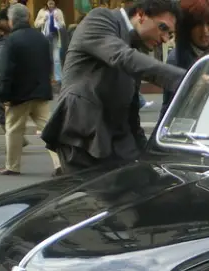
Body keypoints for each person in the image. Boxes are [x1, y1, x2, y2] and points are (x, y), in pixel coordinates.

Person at [41, 0, 186, 174]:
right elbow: (122, 57)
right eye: (163, 28)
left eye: (170, 35)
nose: (164, 39)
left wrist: (145, 155)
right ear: (141, 15)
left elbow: (131, 108)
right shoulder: (101, 18)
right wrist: (188, 80)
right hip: (83, 136)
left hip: (119, 140)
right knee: (88, 198)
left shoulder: (136, 45)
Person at [0, 2, 61, 175]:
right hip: (40, 91)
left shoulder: (11, 41)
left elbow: (5, 72)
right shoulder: (40, 38)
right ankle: (60, 161)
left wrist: (4, 95)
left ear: (11, 21)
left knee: (13, 130)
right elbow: (48, 64)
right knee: (49, 129)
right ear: (28, 17)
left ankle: (12, 165)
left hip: (19, 95)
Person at [159, 0, 209, 121]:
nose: (205, 32)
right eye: (197, 25)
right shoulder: (176, 60)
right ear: (186, 27)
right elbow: (170, 108)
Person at [34, 0, 66, 86]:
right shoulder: (42, 11)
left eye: (52, 3)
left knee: (56, 58)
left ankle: (58, 78)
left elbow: (63, 24)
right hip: (45, 36)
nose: (51, 5)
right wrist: (43, 20)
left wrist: (58, 20)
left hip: (55, 36)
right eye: (49, 3)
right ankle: (45, 77)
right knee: (45, 57)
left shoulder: (59, 11)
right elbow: (36, 24)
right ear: (47, 3)